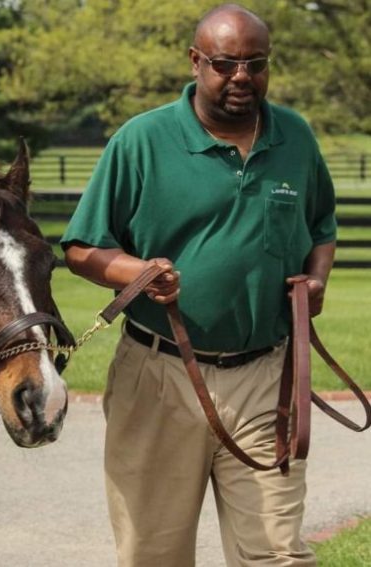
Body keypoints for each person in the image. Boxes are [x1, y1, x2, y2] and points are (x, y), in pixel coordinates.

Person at [62, 4, 336, 566]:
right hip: (159, 376)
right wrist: (136, 272)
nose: (242, 77)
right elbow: (81, 248)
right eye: (225, 63)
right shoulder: (141, 141)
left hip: (266, 376)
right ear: (194, 61)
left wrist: (317, 279)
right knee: (153, 556)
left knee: (279, 556)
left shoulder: (295, 137)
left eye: (255, 64)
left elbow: (322, 228)